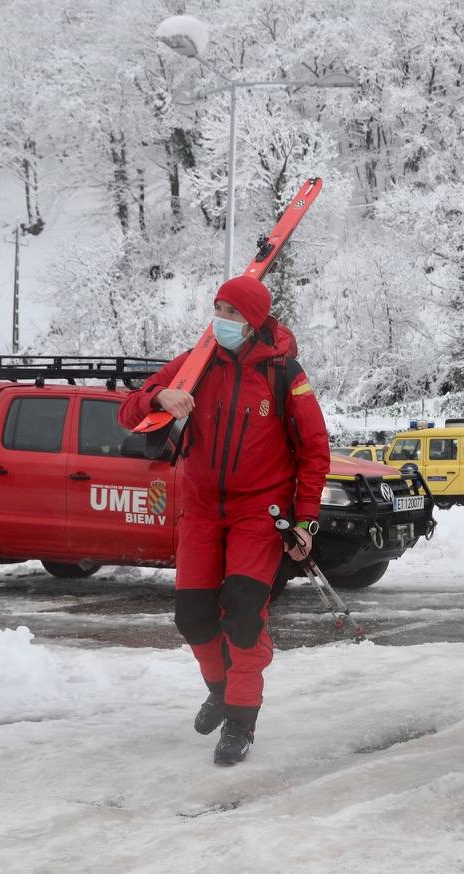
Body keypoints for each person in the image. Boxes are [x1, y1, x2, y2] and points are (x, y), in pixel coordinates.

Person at [120, 275, 330, 766]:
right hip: (199, 513)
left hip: (260, 513)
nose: (221, 318)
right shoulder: (195, 364)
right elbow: (130, 411)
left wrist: (306, 520)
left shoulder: (284, 374)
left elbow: (315, 451)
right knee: (191, 616)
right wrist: (158, 399)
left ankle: (240, 720)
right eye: (217, 307)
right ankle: (219, 688)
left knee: (241, 614)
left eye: (232, 312)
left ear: (253, 321)